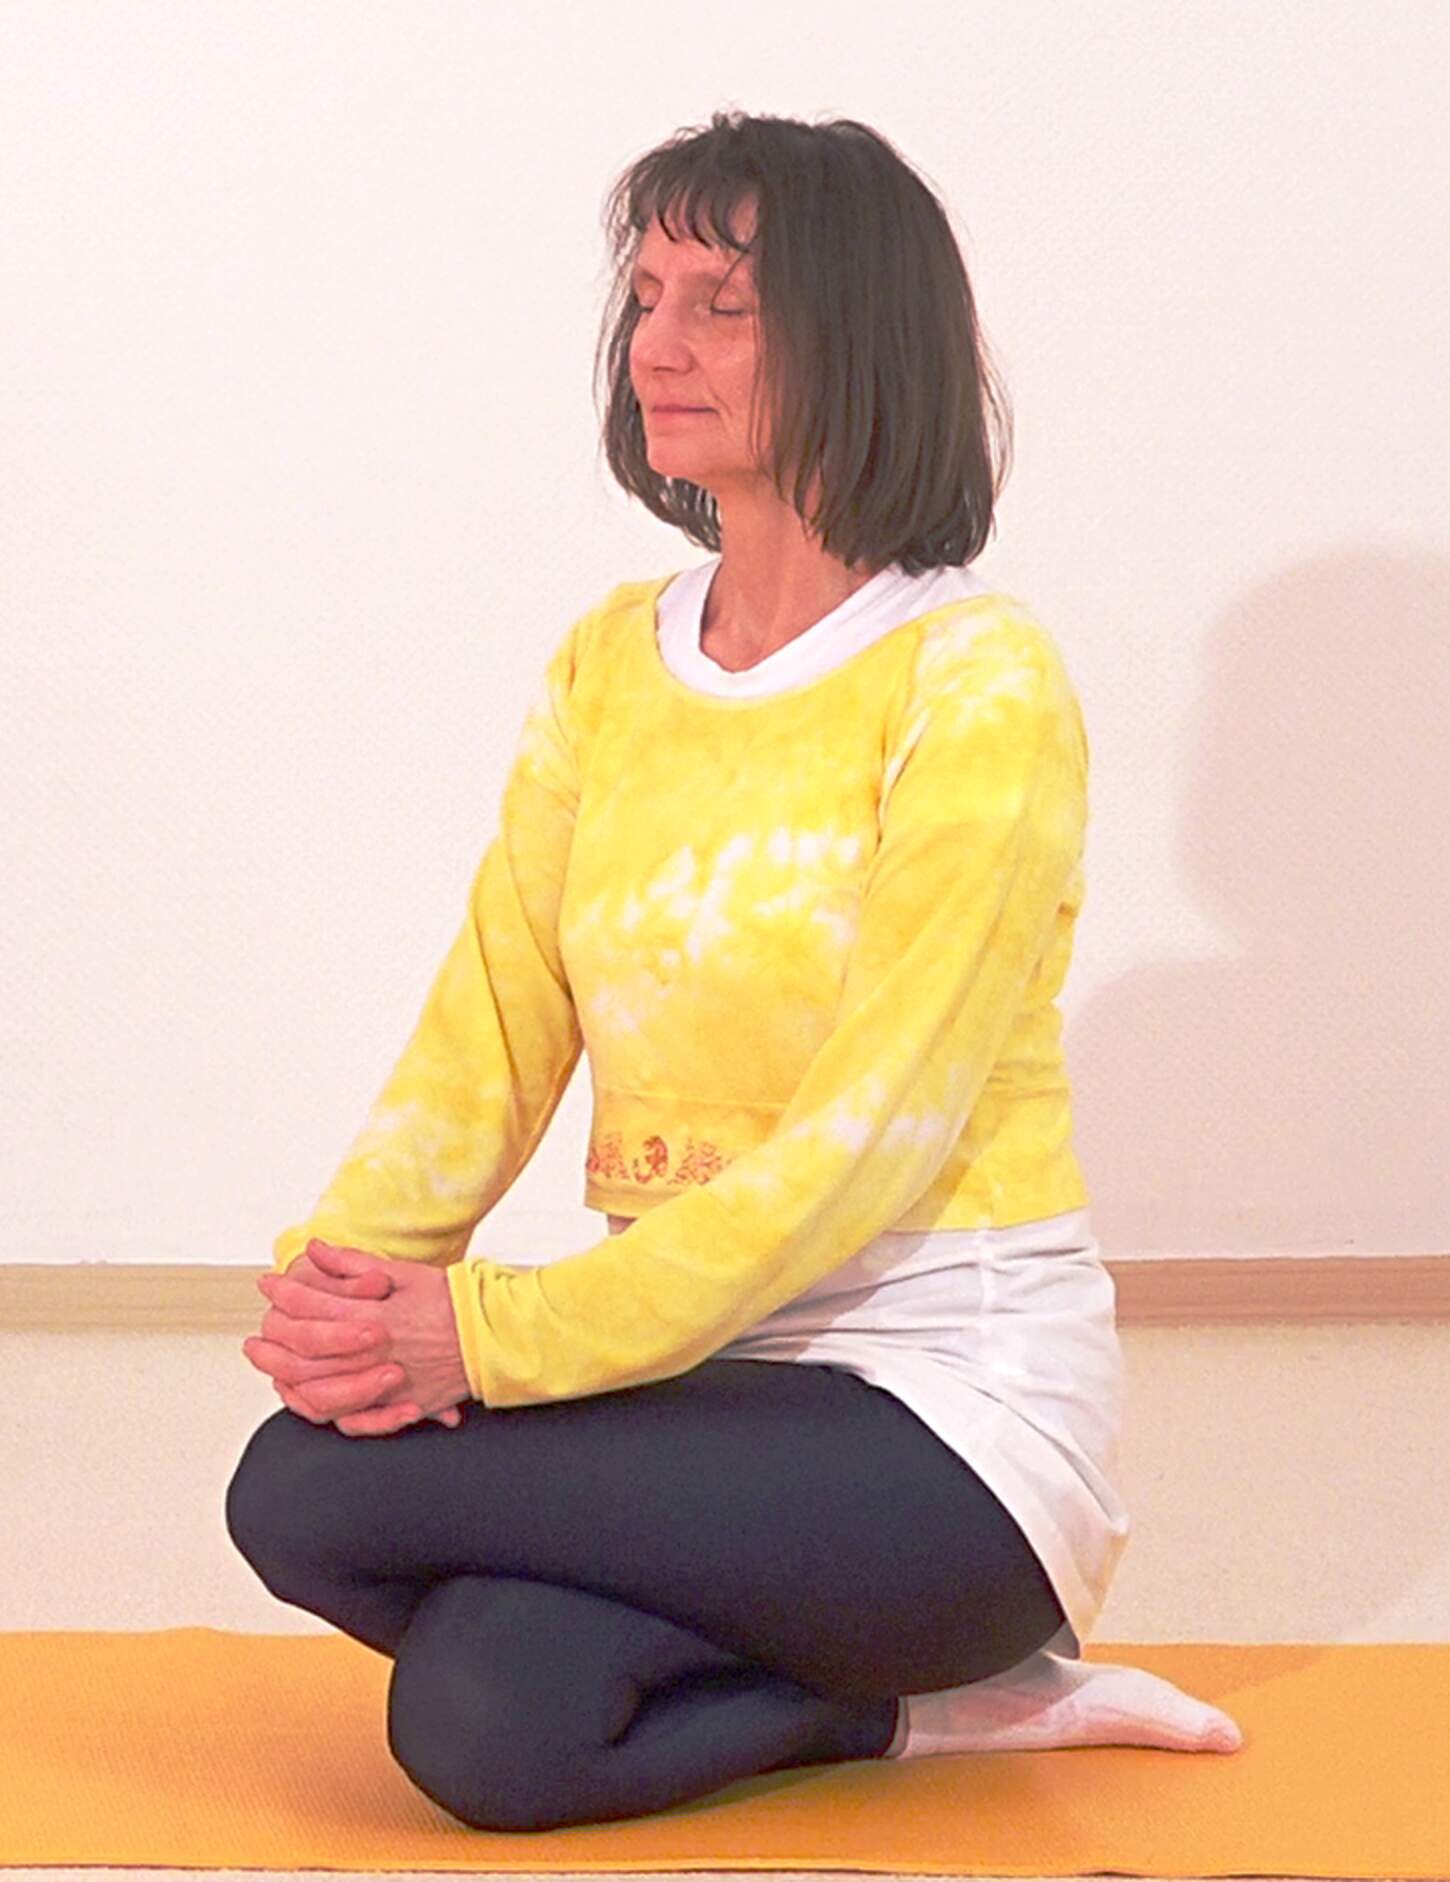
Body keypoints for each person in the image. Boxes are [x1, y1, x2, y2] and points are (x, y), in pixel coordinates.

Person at [226, 110, 1240, 1838]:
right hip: (688, 1394)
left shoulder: (973, 681)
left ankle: (977, 1638)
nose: (657, 344)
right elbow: (491, 1023)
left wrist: (479, 1337)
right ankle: (914, 1709)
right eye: (645, 296)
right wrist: (347, 1285)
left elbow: (859, 1152)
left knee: (309, 1498)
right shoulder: (606, 666)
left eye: (722, 304)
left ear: (856, 338)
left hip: (938, 1435)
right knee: (482, 1717)